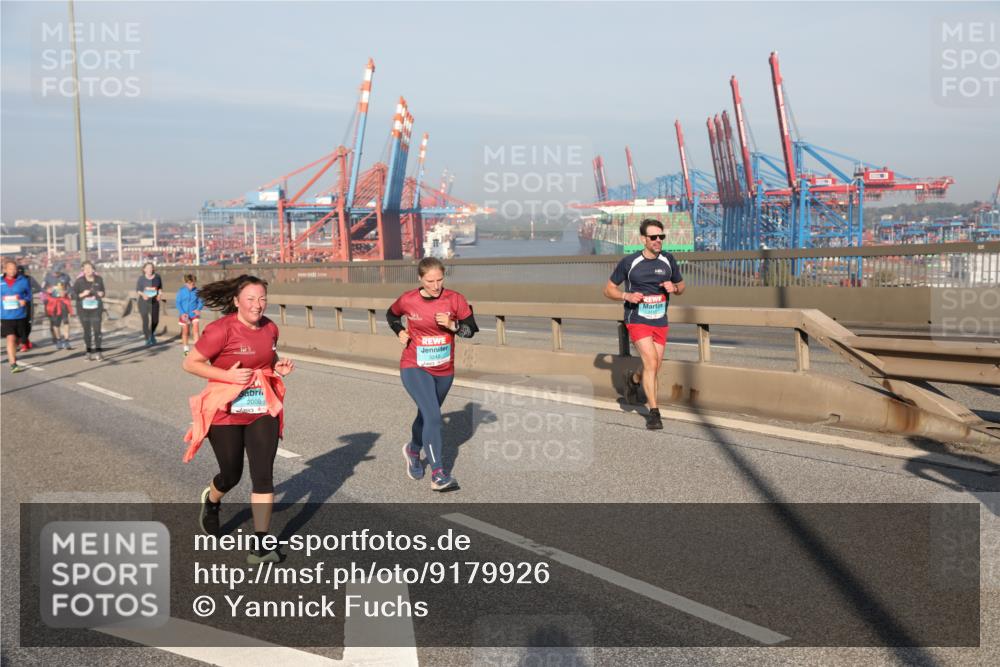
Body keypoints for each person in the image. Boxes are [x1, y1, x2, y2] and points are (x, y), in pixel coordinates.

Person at [182, 275, 294, 564]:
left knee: (263, 475)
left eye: (262, 299)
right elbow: (190, 363)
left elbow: (267, 359)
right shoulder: (221, 330)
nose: (258, 305)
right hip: (225, 411)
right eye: (251, 299)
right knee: (231, 474)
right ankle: (212, 500)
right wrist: (227, 376)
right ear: (236, 301)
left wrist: (277, 367)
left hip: (261, 408)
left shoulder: (270, 327)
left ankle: (261, 546)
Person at [386, 257, 478, 492]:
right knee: (434, 416)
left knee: (427, 415)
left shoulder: (455, 299)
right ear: (420, 278)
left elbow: (471, 330)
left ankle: (412, 450)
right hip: (414, 366)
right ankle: (438, 474)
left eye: (439, 280)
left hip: (444, 370)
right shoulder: (408, 299)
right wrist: (399, 331)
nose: (436, 286)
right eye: (430, 281)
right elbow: (391, 315)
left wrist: (453, 325)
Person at [603, 219, 686, 430]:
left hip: (660, 320)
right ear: (643, 239)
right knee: (651, 361)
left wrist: (675, 288)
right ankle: (654, 413)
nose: (658, 240)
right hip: (637, 319)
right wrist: (626, 295)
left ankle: (633, 380)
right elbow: (608, 289)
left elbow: (682, 285)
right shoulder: (630, 262)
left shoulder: (668, 260)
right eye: (653, 237)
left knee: (654, 365)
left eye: (661, 237)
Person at [1, 259, 32, 373]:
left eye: (14, 269)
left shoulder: (23, 280)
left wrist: (25, 300)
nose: (13, 271)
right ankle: (13, 364)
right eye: (10, 269)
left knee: (18, 340)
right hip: (6, 315)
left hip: (20, 314)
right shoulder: (0, 281)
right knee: (10, 338)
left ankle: (18, 346)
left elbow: (29, 295)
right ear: (5, 270)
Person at [73, 261, 107, 361]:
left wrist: (101, 294)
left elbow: (103, 291)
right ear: (83, 270)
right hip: (83, 310)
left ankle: (99, 352)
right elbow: (73, 295)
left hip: (96, 309)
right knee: (87, 331)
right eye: (85, 268)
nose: (88, 270)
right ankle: (88, 352)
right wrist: (82, 294)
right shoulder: (79, 281)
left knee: (97, 331)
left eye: (90, 268)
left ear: (93, 269)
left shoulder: (99, 279)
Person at [43, 263, 74, 350]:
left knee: (66, 321)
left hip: (63, 301)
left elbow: (72, 287)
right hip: (53, 302)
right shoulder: (47, 277)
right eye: (54, 272)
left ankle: (67, 341)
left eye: (57, 272)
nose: (55, 274)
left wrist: (66, 292)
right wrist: (47, 290)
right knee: (56, 323)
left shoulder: (66, 276)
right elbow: (42, 288)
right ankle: (58, 339)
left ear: (61, 271)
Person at [175, 274, 204, 355]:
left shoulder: (197, 291)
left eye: (193, 284)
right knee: (185, 332)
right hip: (184, 314)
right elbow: (178, 303)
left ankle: (196, 350)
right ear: (185, 283)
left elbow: (201, 301)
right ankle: (186, 350)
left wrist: (198, 309)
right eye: (190, 284)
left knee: (196, 330)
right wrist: (182, 313)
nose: (192, 286)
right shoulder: (181, 291)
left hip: (194, 314)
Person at [136, 262, 163, 346]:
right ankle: (147, 338)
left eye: (151, 268)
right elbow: (138, 290)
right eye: (148, 268)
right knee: (145, 320)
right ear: (144, 270)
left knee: (155, 321)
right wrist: (143, 294)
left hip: (154, 302)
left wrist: (159, 295)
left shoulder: (157, 277)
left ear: (153, 269)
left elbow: (160, 288)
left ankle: (151, 334)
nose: (150, 269)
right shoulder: (141, 278)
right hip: (143, 302)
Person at [16, 263, 40, 352]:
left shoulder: (29, 278)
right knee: (18, 323)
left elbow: (38, 288)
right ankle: (21, 342)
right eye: (18, 273)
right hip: (16, 304)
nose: (20, 275)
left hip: (28, 304)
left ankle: (25, 342)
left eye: (21, 273)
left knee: (28, 323)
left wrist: (29, 292)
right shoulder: (13, 279)